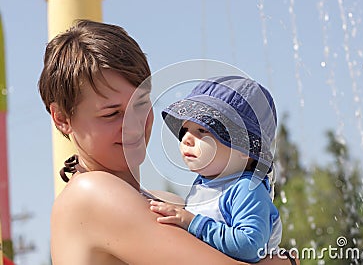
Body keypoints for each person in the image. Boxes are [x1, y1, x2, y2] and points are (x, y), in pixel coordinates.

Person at [38, 19, 298, 265]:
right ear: (62, 118)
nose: (134, 125)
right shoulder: (92, 192)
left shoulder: (164, 201)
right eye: (112, 114)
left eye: (141, 104)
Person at [150, 76, 282, 262]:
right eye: (185, 130)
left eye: (203, 130)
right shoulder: (205, 184)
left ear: (245, 148)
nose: (186, 139)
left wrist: (191, 222)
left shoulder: (246, 189)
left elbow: (250, 247)